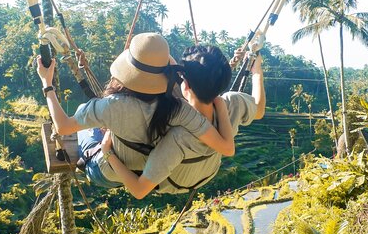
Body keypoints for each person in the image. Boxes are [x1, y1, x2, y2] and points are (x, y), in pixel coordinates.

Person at [37, 33, 235, 188]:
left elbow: (62, 127)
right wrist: (219, 102)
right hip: (140, 172)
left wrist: (47, 84)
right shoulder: (180, 109)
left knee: (84, 114)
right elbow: (227, 148)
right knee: (101, 125)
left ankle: (96, 147)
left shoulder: (111, 106)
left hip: (106, 171)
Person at [101, 45, 266, 198]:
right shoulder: (232, 103)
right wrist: (256, 70)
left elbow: (139, 190)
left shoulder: (177, 133)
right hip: (205, 174)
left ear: (185, 85)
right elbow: (259, 110)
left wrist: (107, 153)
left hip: (173, 182)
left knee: (89, 135)